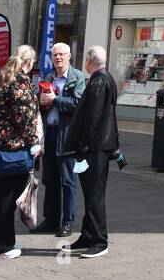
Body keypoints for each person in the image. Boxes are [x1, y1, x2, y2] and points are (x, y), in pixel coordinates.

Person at [0, 44, 43, 260]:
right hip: (14, 150)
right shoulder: (19, 84)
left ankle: (4, 241)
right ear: (30, 62)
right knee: (7, 199)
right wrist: (36, 143)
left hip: (1, 148)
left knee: (3, 197)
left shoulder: (4, 79)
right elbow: (25, 119)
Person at [64, 46, 119, 259]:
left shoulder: (99, 82)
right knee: (90, 192)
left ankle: (99, 240)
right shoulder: (106, 80)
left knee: (95, 194)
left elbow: (92, 118)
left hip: (95, 147)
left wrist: (83, 146)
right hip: (99, 145)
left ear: (89, 60)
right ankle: (87, 235)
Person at [32, 42, 85, 238]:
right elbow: (44, 106)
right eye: (55, 55)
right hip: (51, 134)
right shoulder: (48, 78)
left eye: (62, 54)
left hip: (68, 136)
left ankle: (68, 222)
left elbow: (79, 104)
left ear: (69, 56)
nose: (58, 58)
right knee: (50, 180)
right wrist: (42, 102)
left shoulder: (77, 78)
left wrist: (55, 100)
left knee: (68, 181)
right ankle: (51, 220)